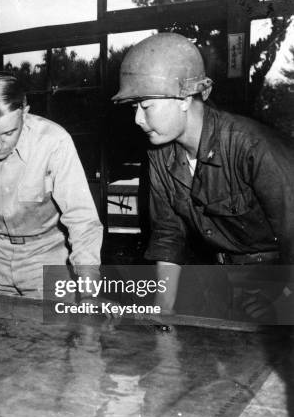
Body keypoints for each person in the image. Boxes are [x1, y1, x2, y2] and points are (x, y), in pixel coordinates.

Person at [111, 32, 294, 316]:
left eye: (146, 106)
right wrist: (163, 309)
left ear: (184, 98)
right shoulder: (160, 155)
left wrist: (281, 300)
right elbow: (168, 237)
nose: (137, 119)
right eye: (134, 107)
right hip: (217, 280)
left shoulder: (252, 146)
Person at [0, 72, 103, 298]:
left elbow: (82, 219)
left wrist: (90, 293)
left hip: (49, 258)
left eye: (9, 132)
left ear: (25, 113)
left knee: (55, 332)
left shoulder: (54, 142)